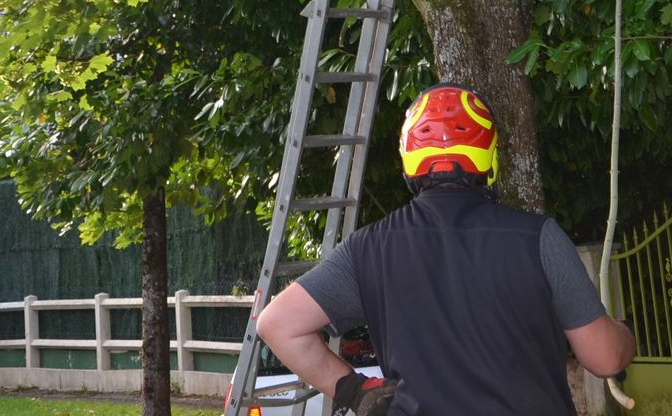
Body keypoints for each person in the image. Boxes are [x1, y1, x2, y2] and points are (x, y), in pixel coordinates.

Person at [256, 84, 635, 415]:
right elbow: (604, 357)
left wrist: (358, 392)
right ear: (489, 158)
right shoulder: (539, 238)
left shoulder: (368, 248)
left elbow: (278, 325)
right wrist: (625, 335)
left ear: (409, 161)